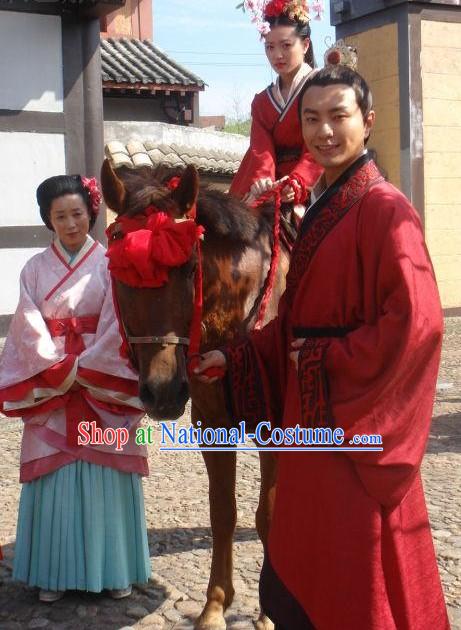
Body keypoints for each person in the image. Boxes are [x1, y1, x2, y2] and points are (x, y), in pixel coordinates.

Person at [195, 64, 450, 629]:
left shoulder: (386, 209)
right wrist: (237, 357)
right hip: (311, 427)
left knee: (354, 563)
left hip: (352, 431)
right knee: (306, 553)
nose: (324, 132)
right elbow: (295, 327)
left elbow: (419, 325)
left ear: (368, 122)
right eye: (312, 119)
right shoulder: (321, 213)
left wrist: (325, 361)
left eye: (339, 116)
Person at [0, 175, 150, 603]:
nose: (70, 224)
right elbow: (27, 325)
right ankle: (52, 573)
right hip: (54, 381)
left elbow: (119, 322)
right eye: (60, 215)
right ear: (48, 219)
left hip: (102, 379)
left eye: (78, 214)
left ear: (92, 213)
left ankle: (115, 569)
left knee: (110, 470)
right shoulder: (33, 269)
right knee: (55, 473)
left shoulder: (110, 263)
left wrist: (87, 366)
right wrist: (58, 368)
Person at [230, 0, 323, 207]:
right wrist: (264, 182)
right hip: (272, 183)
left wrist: (298, 181)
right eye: (270, 47)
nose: (277, 55)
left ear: (305, 44)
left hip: (313, 176)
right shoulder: (263, 102)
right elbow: (261, 149)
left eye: (286, 45)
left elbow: (321, 143)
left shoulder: (321, 88)